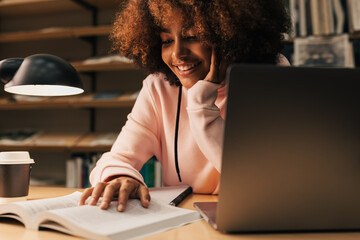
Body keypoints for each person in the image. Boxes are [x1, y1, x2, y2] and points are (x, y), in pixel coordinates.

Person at [79, 0, 291, 212]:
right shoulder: (159, 87)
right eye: (166, 40)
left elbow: (258, 183)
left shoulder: (270, 76)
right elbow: (118, 157)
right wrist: (121, 177)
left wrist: (201, 107)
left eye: (192, 37)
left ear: (229, 37)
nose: (177, 54)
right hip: (182, 221)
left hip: (253, 214)